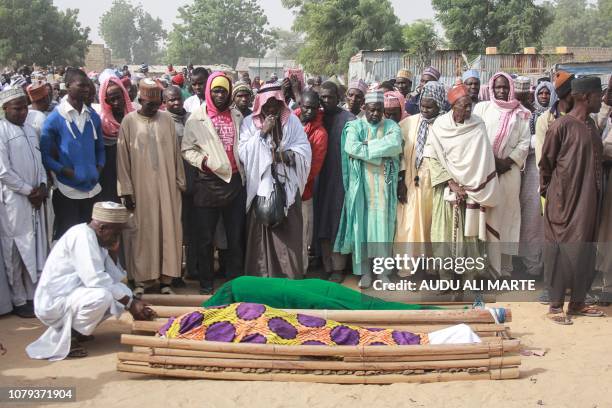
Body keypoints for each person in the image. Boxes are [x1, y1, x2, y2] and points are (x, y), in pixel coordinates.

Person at [26, 202, 156, 360]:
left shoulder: (99, 240)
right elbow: (96, 280)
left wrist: (133, 301)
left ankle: (78, 331)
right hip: (54, 302)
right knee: (103, 297)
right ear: (102, 228)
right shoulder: (82, 236)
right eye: (116, 233)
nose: (117, 238)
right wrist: (131, 304)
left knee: (124, 292)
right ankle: (70, 337)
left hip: (74, 295)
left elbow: (115, 278)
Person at [540, 76, 605, 324]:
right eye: (599, 96)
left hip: (589, 202)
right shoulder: (561, 126)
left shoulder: (591, 125)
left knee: (585, 250)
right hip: (563, 201)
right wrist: (552, 193)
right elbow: (546, 163)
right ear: (585, 97)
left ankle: (578, 302)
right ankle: (556, 307)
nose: (601, 100)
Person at [117, 79, 186, 296]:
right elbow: (122, 159)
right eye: (149, 105)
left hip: (167, 186)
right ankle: (142, 280)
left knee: (168, 229)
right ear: (140, 100)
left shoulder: (166, 119)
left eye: (157, 105)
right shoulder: (128, 122)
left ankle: (166, 279)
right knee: (142, 232)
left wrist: (180, 182)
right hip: (140, 187)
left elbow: (176, 153)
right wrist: (125, 190)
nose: (154, 109)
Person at [424, 84, 499, 279]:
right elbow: (432, 156)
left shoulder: (478, 124)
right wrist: (452, 183)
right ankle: (446, 279)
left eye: (470, 106)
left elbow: (484, 158)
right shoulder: (440, 126)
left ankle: (469, 279)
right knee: (444, 236)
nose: (468, 110)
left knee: (470, 238)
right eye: (463, 106)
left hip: (472, 192)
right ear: (452, 106)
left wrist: (470, 186)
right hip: (447, 190)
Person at [239, 83, 311, 279]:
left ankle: (289, 279)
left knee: (290, 234)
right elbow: (244, 153)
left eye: (275, 103)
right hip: (261, 188)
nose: (271, 108)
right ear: (260, 105)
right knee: (261, 235)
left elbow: (304, 149)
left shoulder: (292, 122)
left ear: (281, 103)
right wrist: (262, 132)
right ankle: (262, 278)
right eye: (267, 104)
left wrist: (286, 156)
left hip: (287, 187)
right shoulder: (248, 123)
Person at [182, 72, 246, 294]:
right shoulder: (197, 118)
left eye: (223, 91)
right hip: (208, 183)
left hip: (235, 183)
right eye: (216, 91)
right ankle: (206, 282)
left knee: (235, 236)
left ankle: (235, 282)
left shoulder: (236, 115)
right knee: (205, 238)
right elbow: (187, 149)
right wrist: (204, 162)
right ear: (209, 92)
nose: (220, 95)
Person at [334, 90, 403, 288]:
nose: (375, 114)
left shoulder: (391, 126)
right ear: (364, 108)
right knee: (361, 229)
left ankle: (382, 274)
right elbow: (351, 148)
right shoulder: (354, 126)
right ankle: (365, 273)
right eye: (371, 110)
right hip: (360, 188)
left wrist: (367, 147)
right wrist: (381, 153)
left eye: (379, 111)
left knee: (383, 229)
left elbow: (395, 144)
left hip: (383, 188)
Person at [473, 72, 530, 277]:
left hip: (509, 172)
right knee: (484, 216)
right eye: (498, 87)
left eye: (505, 87)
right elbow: (476, 135)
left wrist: (507, 161)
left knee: (507, 217)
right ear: (491, 88)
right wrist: (492, 161)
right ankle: (484, 267)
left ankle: (504, 268)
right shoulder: (482, 108)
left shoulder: (521, 113)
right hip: (485, 170)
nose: (502, 91)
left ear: (511, 89)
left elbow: (525, 142)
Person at [40, 68, 105, 240]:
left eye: (88, 86)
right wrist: (65, 171)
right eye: (81, 85)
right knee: (69, 239)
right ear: (68, 86)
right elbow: (46, 156)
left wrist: (98, 168)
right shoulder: (55, 119)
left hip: (92, 190)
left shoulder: (93, 117)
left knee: (90, 239)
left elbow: (100, 148)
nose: (86, 89)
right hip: (68, 190)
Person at [0, 88, 48, 318]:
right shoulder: (1, 131)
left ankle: (32, 296)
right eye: (16, 108)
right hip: (14, 200)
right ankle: (19, 300)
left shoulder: (30, 130)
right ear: (5, 109)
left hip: (35, 199)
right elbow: (4, 172)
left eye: (24, 108)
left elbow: (39, 162)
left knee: (35, 245)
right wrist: (29, 190)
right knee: (15, 248)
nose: (21, 112)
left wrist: (42, 184)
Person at [395, 81, 446, 275]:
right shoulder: (408, 124)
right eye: (422, 105)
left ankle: (432, 270)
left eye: (429, 106)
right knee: (408, 226)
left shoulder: (446, 125)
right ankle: (407, 269)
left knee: (432, 226)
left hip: (434, 185)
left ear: (439, 104)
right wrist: (401, 181)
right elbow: (399, 154)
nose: (424, 109)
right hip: (410, 182)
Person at [314, 81, 355, 283]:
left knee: (338, 220)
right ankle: (326, 264)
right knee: (320, 219)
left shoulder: (348, 120)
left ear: (338, 98)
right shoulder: (316, 117)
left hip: (341, 179)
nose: (326, 101)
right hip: (318, 179)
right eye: (323, 97)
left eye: (330, 97)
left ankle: (339, 267)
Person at [518, 81, 558, 279]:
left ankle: (547, 264)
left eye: (546, 93)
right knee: (532, 218)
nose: (543, 96)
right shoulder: (531, 117)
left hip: (555, 172)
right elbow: (526, 143)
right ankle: (532, 264)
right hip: (533, 173)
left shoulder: (557, 116)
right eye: (540, 93)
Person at [295, 90, 328, 274]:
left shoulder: (320, 134)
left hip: (303, 192)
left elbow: (313, 169)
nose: (308, 111)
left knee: (302, 236)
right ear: (300, 105)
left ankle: (301, 272)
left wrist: (295, 184)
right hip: (284, 192)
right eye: (305, 107)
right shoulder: (291, 120)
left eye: (313, 108)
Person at [164, 85, 195, 285]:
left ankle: (192, 268)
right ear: (164, 102)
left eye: (178, 99)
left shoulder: (193, 118)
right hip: (172, 182)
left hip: (194, 179)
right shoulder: (163, 122)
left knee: (194, 229)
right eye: (171, 100)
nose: (176, 102)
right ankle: (174, 272)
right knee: (174, 229)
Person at [98, 75, 133, 203]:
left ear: (124, 95)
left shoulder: (134, 118)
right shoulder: (102, 122)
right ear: (106, 101)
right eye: (112, 100)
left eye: (118, 97)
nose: (116, 103)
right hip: (110, 174)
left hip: (133, 171)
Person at [534, 71, 575, 166]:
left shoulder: (580, 116)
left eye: (547, 93)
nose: (544, 96)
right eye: (573, 91)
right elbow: (541, 156)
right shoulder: (544, 119)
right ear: (566, 93)